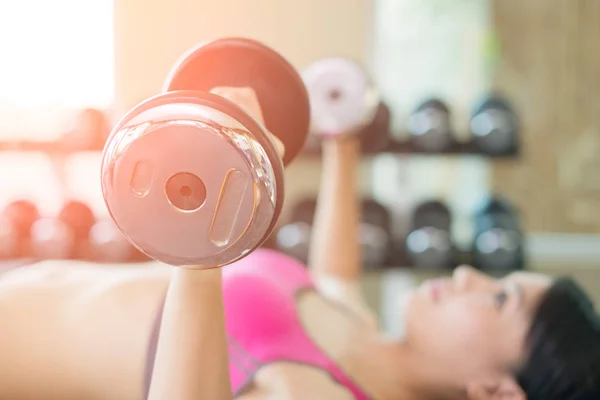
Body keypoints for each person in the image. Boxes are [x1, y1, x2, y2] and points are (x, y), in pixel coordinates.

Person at [0, 87, 599, 400]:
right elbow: (334, 272)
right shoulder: (364, 330)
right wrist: (341, 136)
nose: (470, 275)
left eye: (499, 299)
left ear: (496, 390)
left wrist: (208, 244)